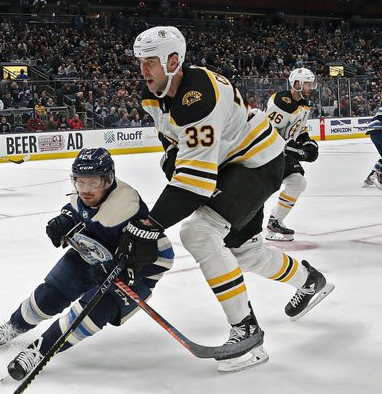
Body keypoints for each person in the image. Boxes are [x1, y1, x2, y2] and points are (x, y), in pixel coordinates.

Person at [123, 26, 333, 373]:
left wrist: (150, 225)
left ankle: (246, 332)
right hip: (233, 166)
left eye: (150, 62)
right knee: (245, 252)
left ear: (173, 61)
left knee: (198, 233)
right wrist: (171, 166)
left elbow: (194, 184)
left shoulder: (198, 97)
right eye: (140, 62)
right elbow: (174, 147)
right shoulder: (153, 95)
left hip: (256, 163)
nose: (143, 70)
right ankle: (310, 280)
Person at [0, 148, 173, 380]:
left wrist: (127, 272)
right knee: (51, 293)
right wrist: (65, 220)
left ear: (108, 180)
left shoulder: (126, 206)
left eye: (93, 182)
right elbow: (78, 211)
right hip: (95, 253)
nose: (85, 189)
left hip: (138, 270)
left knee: (93, 311)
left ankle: (39, 351)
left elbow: (162, 255)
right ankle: (14, 326)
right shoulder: (88, 195)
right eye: (80, 182)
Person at [264, 68, 321, 241]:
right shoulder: (282, 101)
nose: (310, 87)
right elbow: (268, 131)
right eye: (307, 84)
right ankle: (242, 228)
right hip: (265, 152)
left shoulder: (304, 104)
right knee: (261, 188)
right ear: (297, 84)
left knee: (297, 182)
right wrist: (292, 149)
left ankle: (275, 221)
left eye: (311, 84)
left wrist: (307, 142)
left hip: (281, 151)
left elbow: (299, 129)